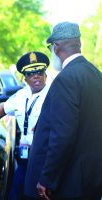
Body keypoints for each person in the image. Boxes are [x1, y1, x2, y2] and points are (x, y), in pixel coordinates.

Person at [24, 22, 102, 200]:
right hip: (92, 176)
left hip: (70, 180)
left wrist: (47, 179)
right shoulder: (96, 74)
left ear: (56, 47)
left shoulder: (65, 79)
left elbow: (62, 135)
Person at [0, 51, 50, 200]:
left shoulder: (53, 94)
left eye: (39, 72)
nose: (36, 76)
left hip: (44, 157)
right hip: (25, 157)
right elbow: (3, 108)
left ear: (46, 74)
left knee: (41, 194)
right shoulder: (21, 95)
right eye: (31, 74)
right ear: (25, 78)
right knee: (17, 193)